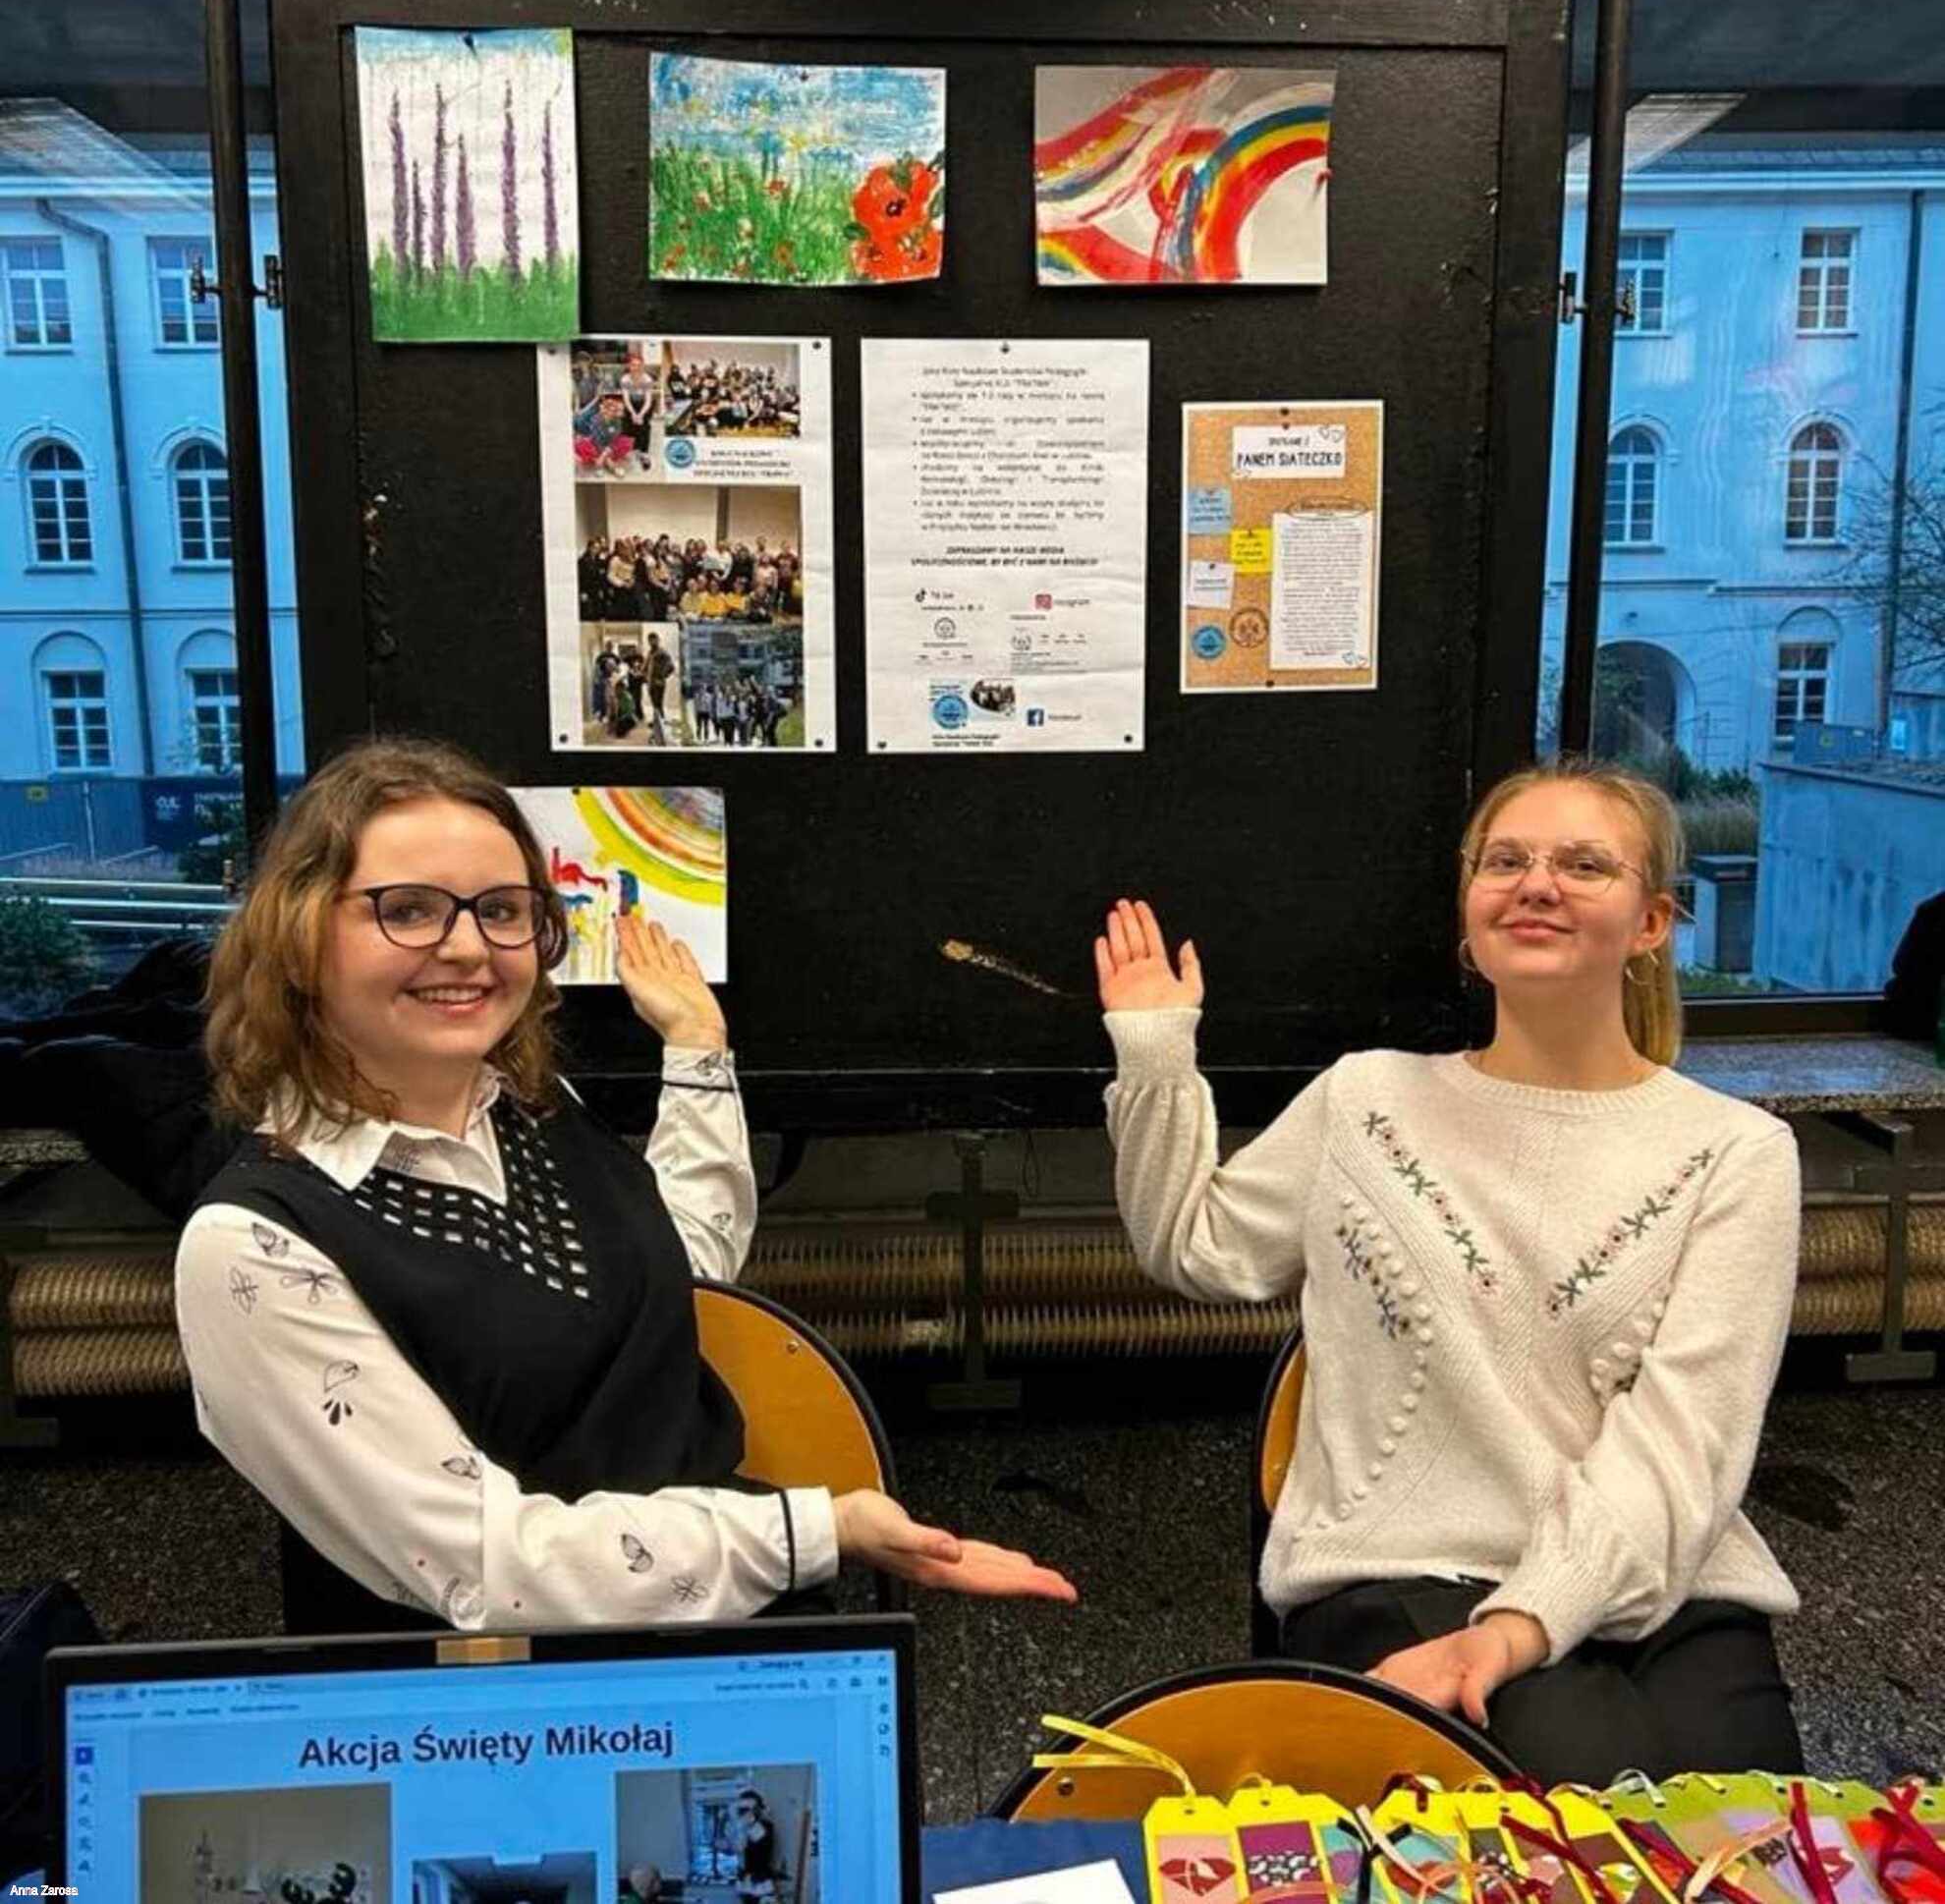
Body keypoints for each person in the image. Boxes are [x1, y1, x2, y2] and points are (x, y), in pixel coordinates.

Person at [175, 739, 1076, 1631]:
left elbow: (670, 1277)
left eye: (503, 909)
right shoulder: (255, 1245)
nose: (467, 947)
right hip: (504, 1702)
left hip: (725, 1619)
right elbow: (486, 1566)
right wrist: (814, 1531)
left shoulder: (532, 1110)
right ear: (298, 937)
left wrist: (697, 1047)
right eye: (408, 910)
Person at [1094, 758, 1804, 1785]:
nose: (1537, 884)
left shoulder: (1736, 1153)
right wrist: (1156, 1052)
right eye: (1505, 861)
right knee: (1573, 1814)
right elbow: (1194, 1246)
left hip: (1665, 1578)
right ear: (1471, 914)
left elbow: (1684, 1442)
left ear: (1651, 922)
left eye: (1584, 865)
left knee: (1759, 1831)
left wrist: (1526, 1620)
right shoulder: (1366, 1102)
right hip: (1402, 1565)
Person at [734, 1789, 778, 1903]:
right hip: (746, 1881)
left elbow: (756, 1839)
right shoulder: (743, 1828)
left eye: (747, 1810)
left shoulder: (765, 1826)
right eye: (741, 1810)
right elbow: (739, 1849)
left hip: (760, 1883)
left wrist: (750, 1821)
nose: (743, 1814)